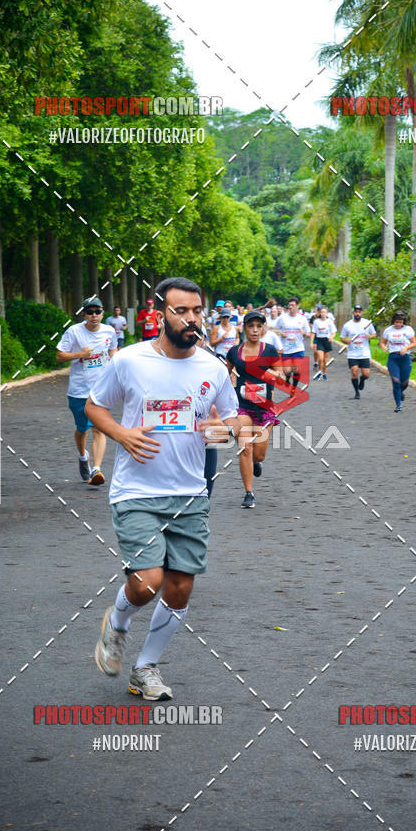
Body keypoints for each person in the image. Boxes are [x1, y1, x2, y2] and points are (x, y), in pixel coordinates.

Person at [86, 276, 240, 700]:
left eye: (196, 311)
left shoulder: (212, 366)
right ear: (160, 315)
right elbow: (94, 406)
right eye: (181, 311)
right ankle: (117, 623)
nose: (191, 319)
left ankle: (145, 668)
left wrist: (223, 431)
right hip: (137, 491)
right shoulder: (130, 361)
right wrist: (121, 434)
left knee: (180, 586)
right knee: (147, 581)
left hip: (190, 492)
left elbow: (237, 421)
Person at [55, 295, 118, 484]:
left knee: (99, 429)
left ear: (102, 313)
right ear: (84, 314)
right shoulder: (74, 332)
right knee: (82, 429)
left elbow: (113, 350)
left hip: (101, 389)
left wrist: (114, 360)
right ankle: (83, 457)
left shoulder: (109, 331)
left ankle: (96, 470)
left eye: (97, 311)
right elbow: (59, 356)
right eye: (90, 312)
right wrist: (80, 354)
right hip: (79, 389)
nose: (94, 315)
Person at [226, 310, 283, 509]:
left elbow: (280, 375)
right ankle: (249, 493)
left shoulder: (270, 351)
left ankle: (256, 463)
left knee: (258, 454)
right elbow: (225, 373)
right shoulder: (234, 351)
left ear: (264, 329)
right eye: (251, 326)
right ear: (245, 328)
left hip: (264, 408)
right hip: (241, 407)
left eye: (259, 326)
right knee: (245, 447)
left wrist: (269, 374)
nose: (255, 330)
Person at [380, 311, 416, 412]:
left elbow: (414, 343)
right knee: (396, 381)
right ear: (393, 321)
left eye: (401, 322)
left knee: (404, 382)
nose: (398, 324)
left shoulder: (408, 330)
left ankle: (400, 392)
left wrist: (406, 348)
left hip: (405, 358)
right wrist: (384, 347)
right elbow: (382, 342)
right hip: (393, 358)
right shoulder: (388, 330)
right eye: (397, 322)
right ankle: (398, 405)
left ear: (403, 322)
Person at [340, 304, 377, 399]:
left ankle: (362, 380)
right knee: (354, 371)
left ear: (362, 313)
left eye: (359, 312)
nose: (357, 313)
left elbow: (374, 334)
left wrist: (371, 336)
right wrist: (346, 341)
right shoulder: (347, 325)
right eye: (356, 312)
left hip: (364, 352)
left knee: (366, 374)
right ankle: (357, 392)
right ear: (353, 313)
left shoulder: (367, 323)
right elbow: (342, 337)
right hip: (352, 353)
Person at [274, 297, 310, 386]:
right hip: (286, 348)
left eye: (293, 305)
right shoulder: (282, 318)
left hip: (298, 348)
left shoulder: (302, 319)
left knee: (297, 369)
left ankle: (294, 388)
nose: (290, 307)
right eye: (289, 305)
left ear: (298, 306)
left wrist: (304, 333)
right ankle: (287, 377)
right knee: (287, 371)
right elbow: (274, 329)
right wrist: (281, 333)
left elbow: (309, 333)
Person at [311, 306, 335, 380]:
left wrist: (331, 337)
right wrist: (311, 342)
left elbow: (334, 332)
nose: (323, 313)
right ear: (320, 313)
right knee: (320, 358)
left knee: (325, 360)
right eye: (322, 312)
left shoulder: (329, 321)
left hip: (327, 340)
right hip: (319, 340)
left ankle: (324, 373)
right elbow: (313, 332)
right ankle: (319, 372)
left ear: (327, 313)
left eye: (324, 312)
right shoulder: (316, 321)